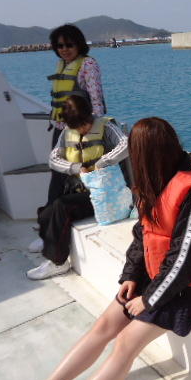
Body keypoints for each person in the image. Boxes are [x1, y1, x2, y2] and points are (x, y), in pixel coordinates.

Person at [31, 117, 191, 380]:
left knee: (125, 343)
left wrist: (149, 299)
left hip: (187, 286)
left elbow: (185, 259)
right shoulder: (155, 181)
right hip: (156, 273)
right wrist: (131, 276)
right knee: (104, 326)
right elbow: (143, 235)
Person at [26, 95, 127, 280]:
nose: (81, 129)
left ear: (90, 115)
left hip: (105, 195)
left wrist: (103, 162)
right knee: (47, 212)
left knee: (61, 206)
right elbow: (53, 159)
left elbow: (126, 144)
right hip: (83, 192)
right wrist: (76, 168)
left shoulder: (107, 127)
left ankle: (58, 262)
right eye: (76, 126)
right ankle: (49, 240)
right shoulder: (67, 132)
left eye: (84, 124)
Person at [45, 24, 106, 207]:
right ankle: (53, 211)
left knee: (88, 170)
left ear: (79, 44)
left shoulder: (88, 64)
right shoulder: (63, 65)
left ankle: (63, 210)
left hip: (82, 129)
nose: (64, 49)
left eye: (69, 45)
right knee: (58, 173)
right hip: (60, 129)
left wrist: (94, 130)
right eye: (60, 46)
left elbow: (96, 100)